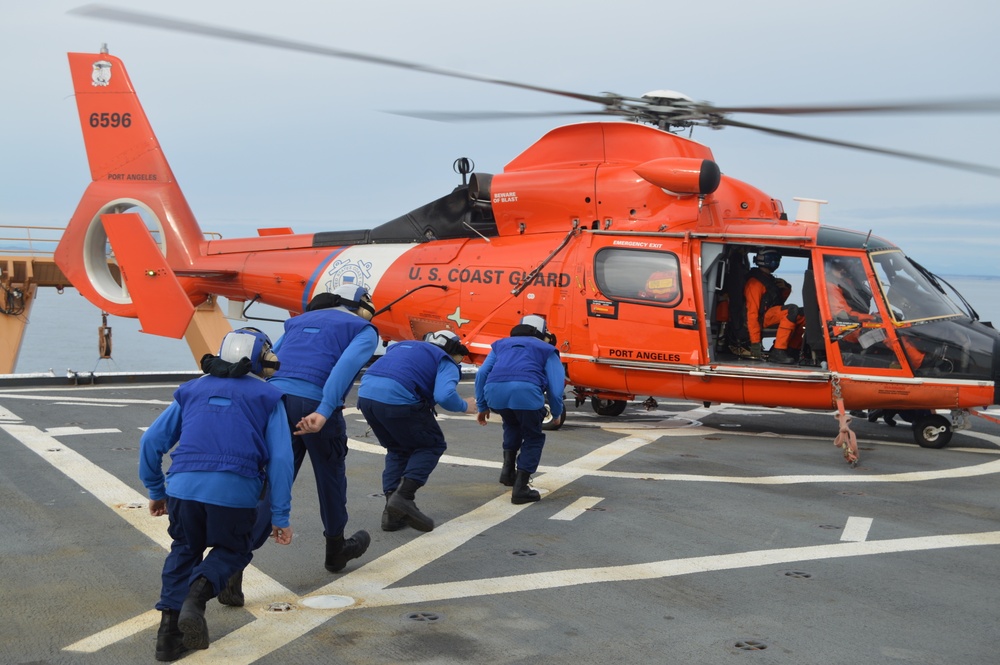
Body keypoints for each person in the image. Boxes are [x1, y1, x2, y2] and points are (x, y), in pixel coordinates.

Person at [139, 328, 293, 661]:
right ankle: (197, 596)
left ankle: (167, 639)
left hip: (182, 486)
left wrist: (156, 489)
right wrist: (280, 515)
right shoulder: (268, 396)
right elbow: (281, 459)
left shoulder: (191, 390)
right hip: (236, 490)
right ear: (262, 359)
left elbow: (150, 443)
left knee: (184, 549)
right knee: (234, 548)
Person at [265, 284, 379, 574]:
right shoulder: (363, 329)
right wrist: (324, 410)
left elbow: (268, 363)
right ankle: (336, 549)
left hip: (274, 402)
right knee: (330, 477)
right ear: (360, 304)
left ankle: (233, 564)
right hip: (313, 404)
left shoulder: (295, 323)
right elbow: (343, 369)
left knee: (273, 478)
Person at [357, 330, 475, 532]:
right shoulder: (445, 359)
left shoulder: (403, 347)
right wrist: (465, 406)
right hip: (399, 398)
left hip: (366, 396)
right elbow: (445, 395)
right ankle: (403, 498)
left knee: (397, 449)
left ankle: (391, 514)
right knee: (431, 444)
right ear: (454, 350)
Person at [475, 314, 565, 504]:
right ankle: (521, 488)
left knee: (511, 423)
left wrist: (482, 405)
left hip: (495, 392)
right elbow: (556, 390)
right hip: (526, 392)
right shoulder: (547, 349)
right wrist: (556, 414)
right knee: (533, 437)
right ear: (542, 333)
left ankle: (508, 472)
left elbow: (482, 373)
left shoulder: (500, 345)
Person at [744, 249, 805, 364]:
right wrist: (755, 343)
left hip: (771, 314)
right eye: (772, 258)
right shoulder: (755, 283)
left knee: (803, 314)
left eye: (777, 259)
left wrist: (786, 288)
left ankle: (792, 349)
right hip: (762, 319)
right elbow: (752, 313)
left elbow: (779, 302)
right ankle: (778, 351)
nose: (775, 262)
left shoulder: (770, 280)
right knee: (792, 310)